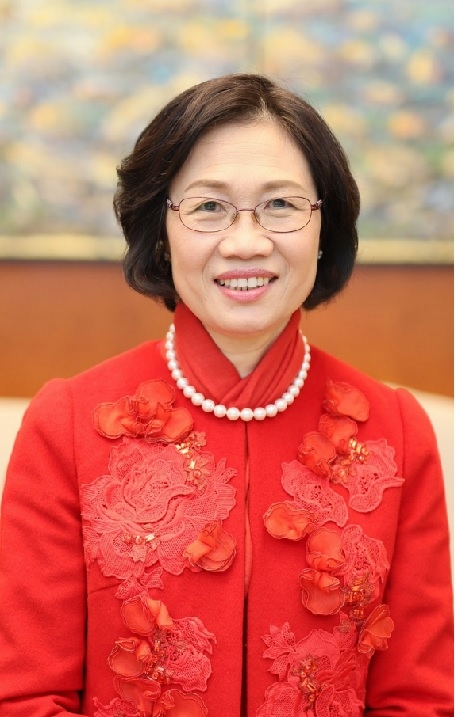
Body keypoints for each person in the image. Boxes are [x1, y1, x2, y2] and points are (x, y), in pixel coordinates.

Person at [0, 74, 452, 717]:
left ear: (324, 227)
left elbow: (420, 698)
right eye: (209, 206)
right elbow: (24, 696)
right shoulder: (67, 423)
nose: (246, 243)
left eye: (281, 205)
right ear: (161, 228)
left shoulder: (396, 430)